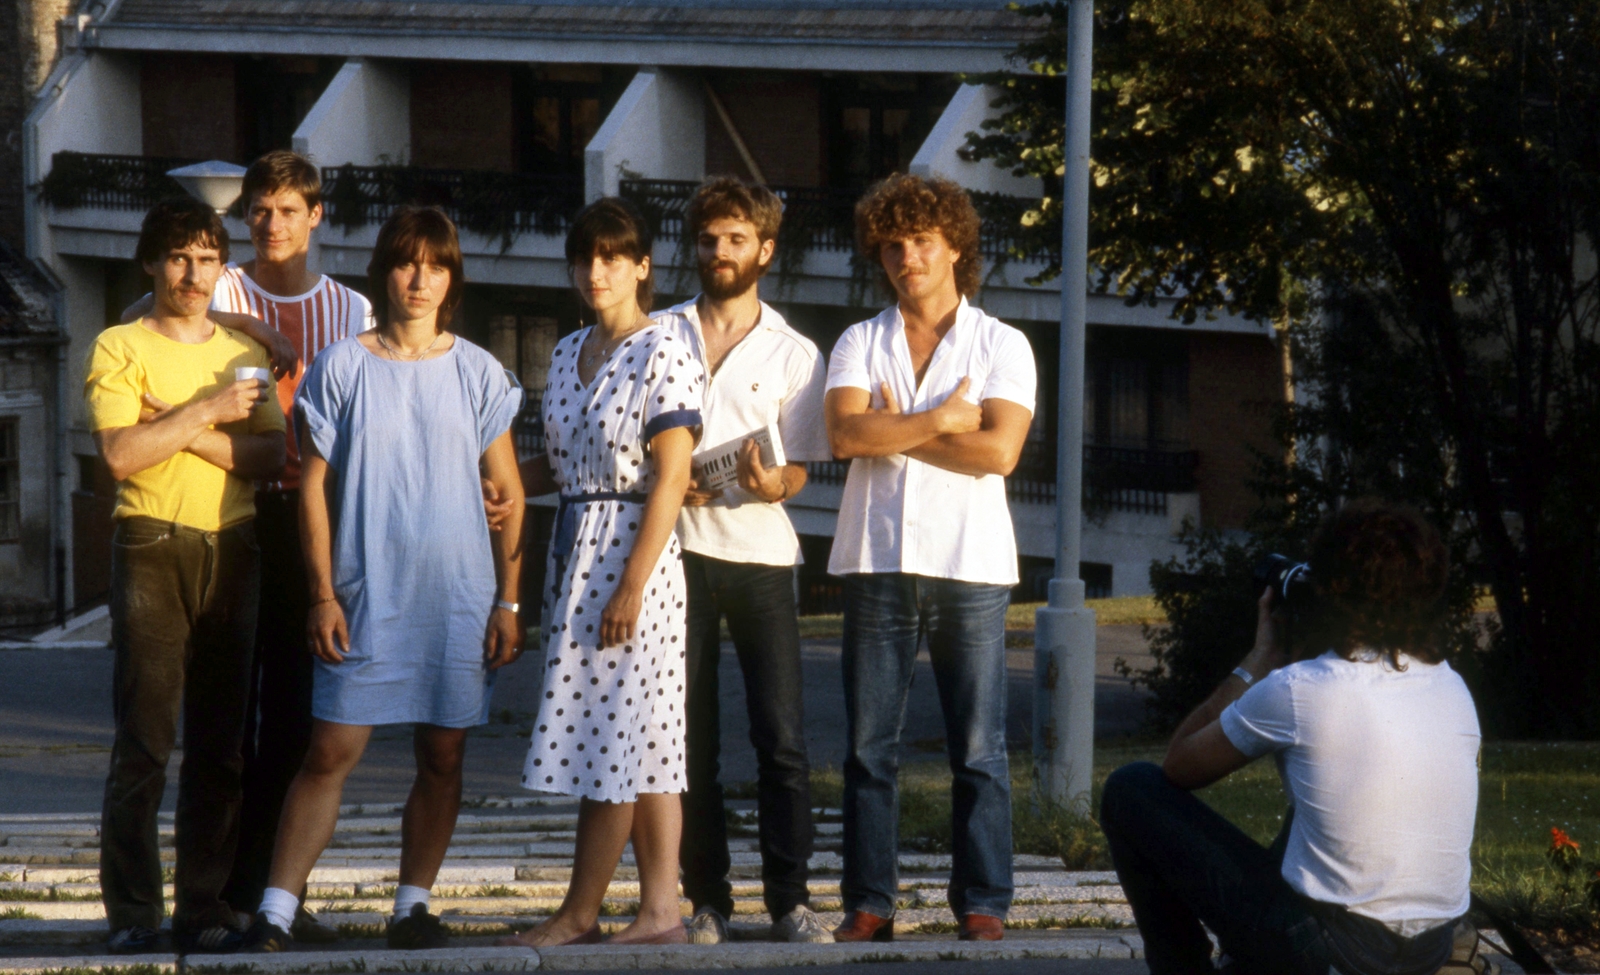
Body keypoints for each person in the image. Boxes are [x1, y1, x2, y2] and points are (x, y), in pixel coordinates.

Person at [243, 206, 526, 952]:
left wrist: (508, 600)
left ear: (452, 278)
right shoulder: (341, 366)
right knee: (329, 751)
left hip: (458, 596)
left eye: (436, 266)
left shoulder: (478, 370)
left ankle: (411, 908)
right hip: (365, 592)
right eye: (406, 263)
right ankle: (275, 912)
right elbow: (311, 489)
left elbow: (509, 491)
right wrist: (322, 593)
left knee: (444, 755)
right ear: (384, 272)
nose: (420, 279)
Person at [125, 150, 373, 942]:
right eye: (260, 210)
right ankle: (212, 895)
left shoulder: (351, 308)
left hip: (314, 516)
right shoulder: (222, 285)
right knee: (225, 719)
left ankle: (271, 892)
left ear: (316, 216)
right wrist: (251, 326)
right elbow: (147, 315)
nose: (272, 224)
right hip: (231, 507)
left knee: (297, 716)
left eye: (289, 210)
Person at [1099, 500, 1480, 975]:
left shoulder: (1301, 688)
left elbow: (1178, 765)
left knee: (1131, 789)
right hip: (1431, 947)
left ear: (1330, 589)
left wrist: (1258, 659)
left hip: (1335, 950)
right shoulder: (1452, 685)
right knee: (1314, 811)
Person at [823, 173, 1036, 944]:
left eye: (921, 240)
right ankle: (869, 902)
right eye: (891, 244)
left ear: (954, 247)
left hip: (969, 563)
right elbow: (844, 436)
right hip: (875, 559)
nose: (906, 256)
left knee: (978, 746)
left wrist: (898, 429)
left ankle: (983, 900)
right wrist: (943, 419)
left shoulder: (1001, 343)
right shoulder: (859, 341)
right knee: (866, 746)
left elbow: (1000, 451)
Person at [499, 197, 703, 948]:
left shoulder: (666, 350)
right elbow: (561, 467)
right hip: (576, 553)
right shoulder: (565, 352)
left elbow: (672, 477)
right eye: (585, 257)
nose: (596, 271)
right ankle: (661, 913)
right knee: (646, 743)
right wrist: (501, 486)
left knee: (609, 739)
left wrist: (632, 585)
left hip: (632, 560)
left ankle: (579, 913)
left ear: (642, 266)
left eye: (613, 257)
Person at [85, 196, 287, 954]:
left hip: (233, 545)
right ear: (151, 263)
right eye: (178, 258)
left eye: (207, 259)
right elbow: (121, 455)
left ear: (222, 267)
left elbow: (270, 457)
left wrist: (179, 423)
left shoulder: (242, 353)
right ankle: (134, 914)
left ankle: (202, 907)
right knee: (145, 740)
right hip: (151, 541)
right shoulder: (119, 345)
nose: (193, 274)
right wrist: (210, 410)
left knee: (221, 744)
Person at [652, 177, 833, 945]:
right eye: (708, 239)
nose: (719, 252)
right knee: (687, 737)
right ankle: (708, 901)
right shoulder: (658, 333)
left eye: (735, 239)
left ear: (765, 249)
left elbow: (801, 470)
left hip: (760, 554)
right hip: (676, 554)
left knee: (781, 736)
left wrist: (770, 484)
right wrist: (664, 479)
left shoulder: (795, 352)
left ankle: (791, 900)